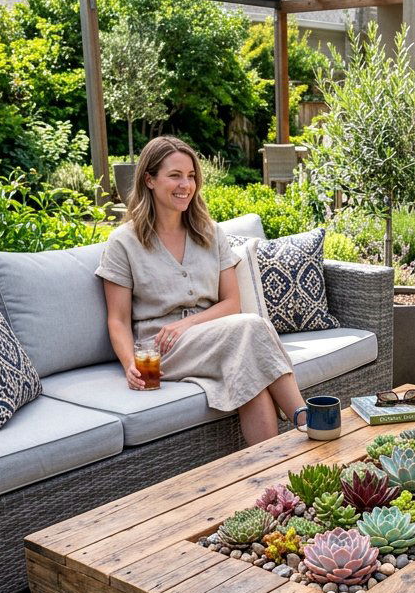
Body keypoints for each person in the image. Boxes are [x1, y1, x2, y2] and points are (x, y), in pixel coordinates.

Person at [95, 135, 306, 445]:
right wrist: (131, 365)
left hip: (214, 336)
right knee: (251, 327)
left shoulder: (209, 231)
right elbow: (117, 319)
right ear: (149, 180)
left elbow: (232, 303)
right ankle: (306, 419)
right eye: (175, 175)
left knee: (251, 374)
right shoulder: (123, 242)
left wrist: (187, 324)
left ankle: (269, 468)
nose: (186, 185)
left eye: (191, 176)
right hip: (161, 348)